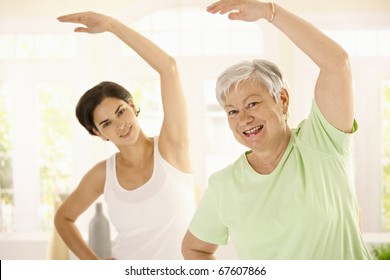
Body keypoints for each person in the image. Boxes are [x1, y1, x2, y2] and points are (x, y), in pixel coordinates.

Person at [182, 0, 372, 260]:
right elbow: (194, 248)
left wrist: (269, 12)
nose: (244, 119)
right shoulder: (224, 185)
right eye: (233, 111)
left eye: (252, 104)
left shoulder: (322, 143)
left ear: (282, 100)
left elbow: (337, 64)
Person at [54, 11, 196, 260]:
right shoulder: (103, 174)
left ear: (132, 105)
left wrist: (111, 25)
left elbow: (169, 68)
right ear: (98, 133)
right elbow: (63, 218)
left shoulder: (171, 147)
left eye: (121, 111)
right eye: (107, 123)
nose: (120, 125)